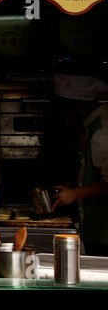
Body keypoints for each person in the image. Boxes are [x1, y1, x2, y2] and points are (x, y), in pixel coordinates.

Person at [52, 74, 108, 256]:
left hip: (103, 231)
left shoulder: (101, 130)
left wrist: (74, 194)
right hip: (96, 229)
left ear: (76, 105)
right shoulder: (94, 125)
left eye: (64, 108)